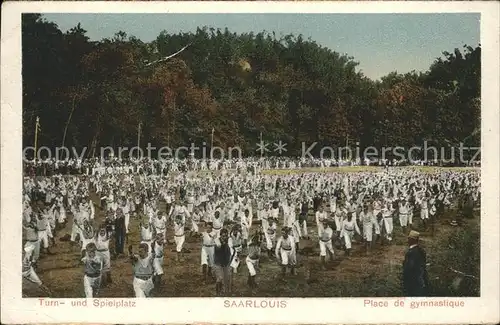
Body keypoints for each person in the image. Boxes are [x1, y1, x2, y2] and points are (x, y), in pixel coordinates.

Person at [402, 230, 430, 296]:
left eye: (409, 239)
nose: (407, 240)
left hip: (413, 283)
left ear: (412, 240)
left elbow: (409, 268)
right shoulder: (421, 250)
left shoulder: (411, 253)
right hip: (421, 281)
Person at [213, 228, 233, 296]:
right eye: (223, 236)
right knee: (220, 278)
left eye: (226, 236)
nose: (225, 237)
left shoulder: (229, 240)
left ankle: (224, 291)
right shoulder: (217, 241)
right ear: (220, 235)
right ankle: (218, 292)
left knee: (227, 278)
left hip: (226, 262)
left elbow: (230, 250)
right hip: (218, 262)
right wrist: (223, 243)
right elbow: (218, 247)